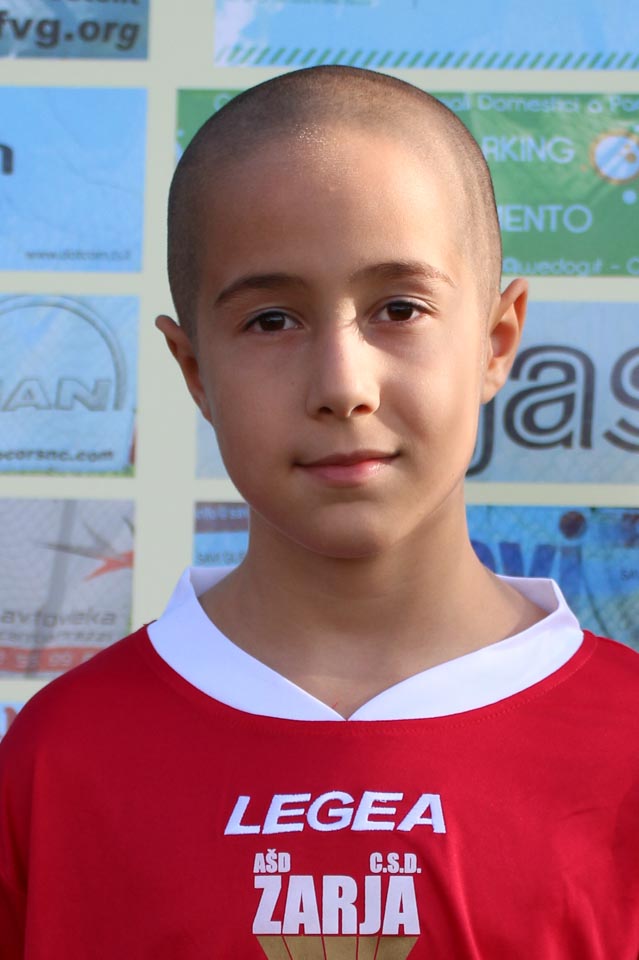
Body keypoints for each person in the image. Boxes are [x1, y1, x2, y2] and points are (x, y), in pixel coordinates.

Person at [1, 66, 638, 959]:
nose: (342, 385)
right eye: (271, 321)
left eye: (399, 309)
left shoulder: (625, 745)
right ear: (194, 372)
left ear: (496, 342)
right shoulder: (59, 759)